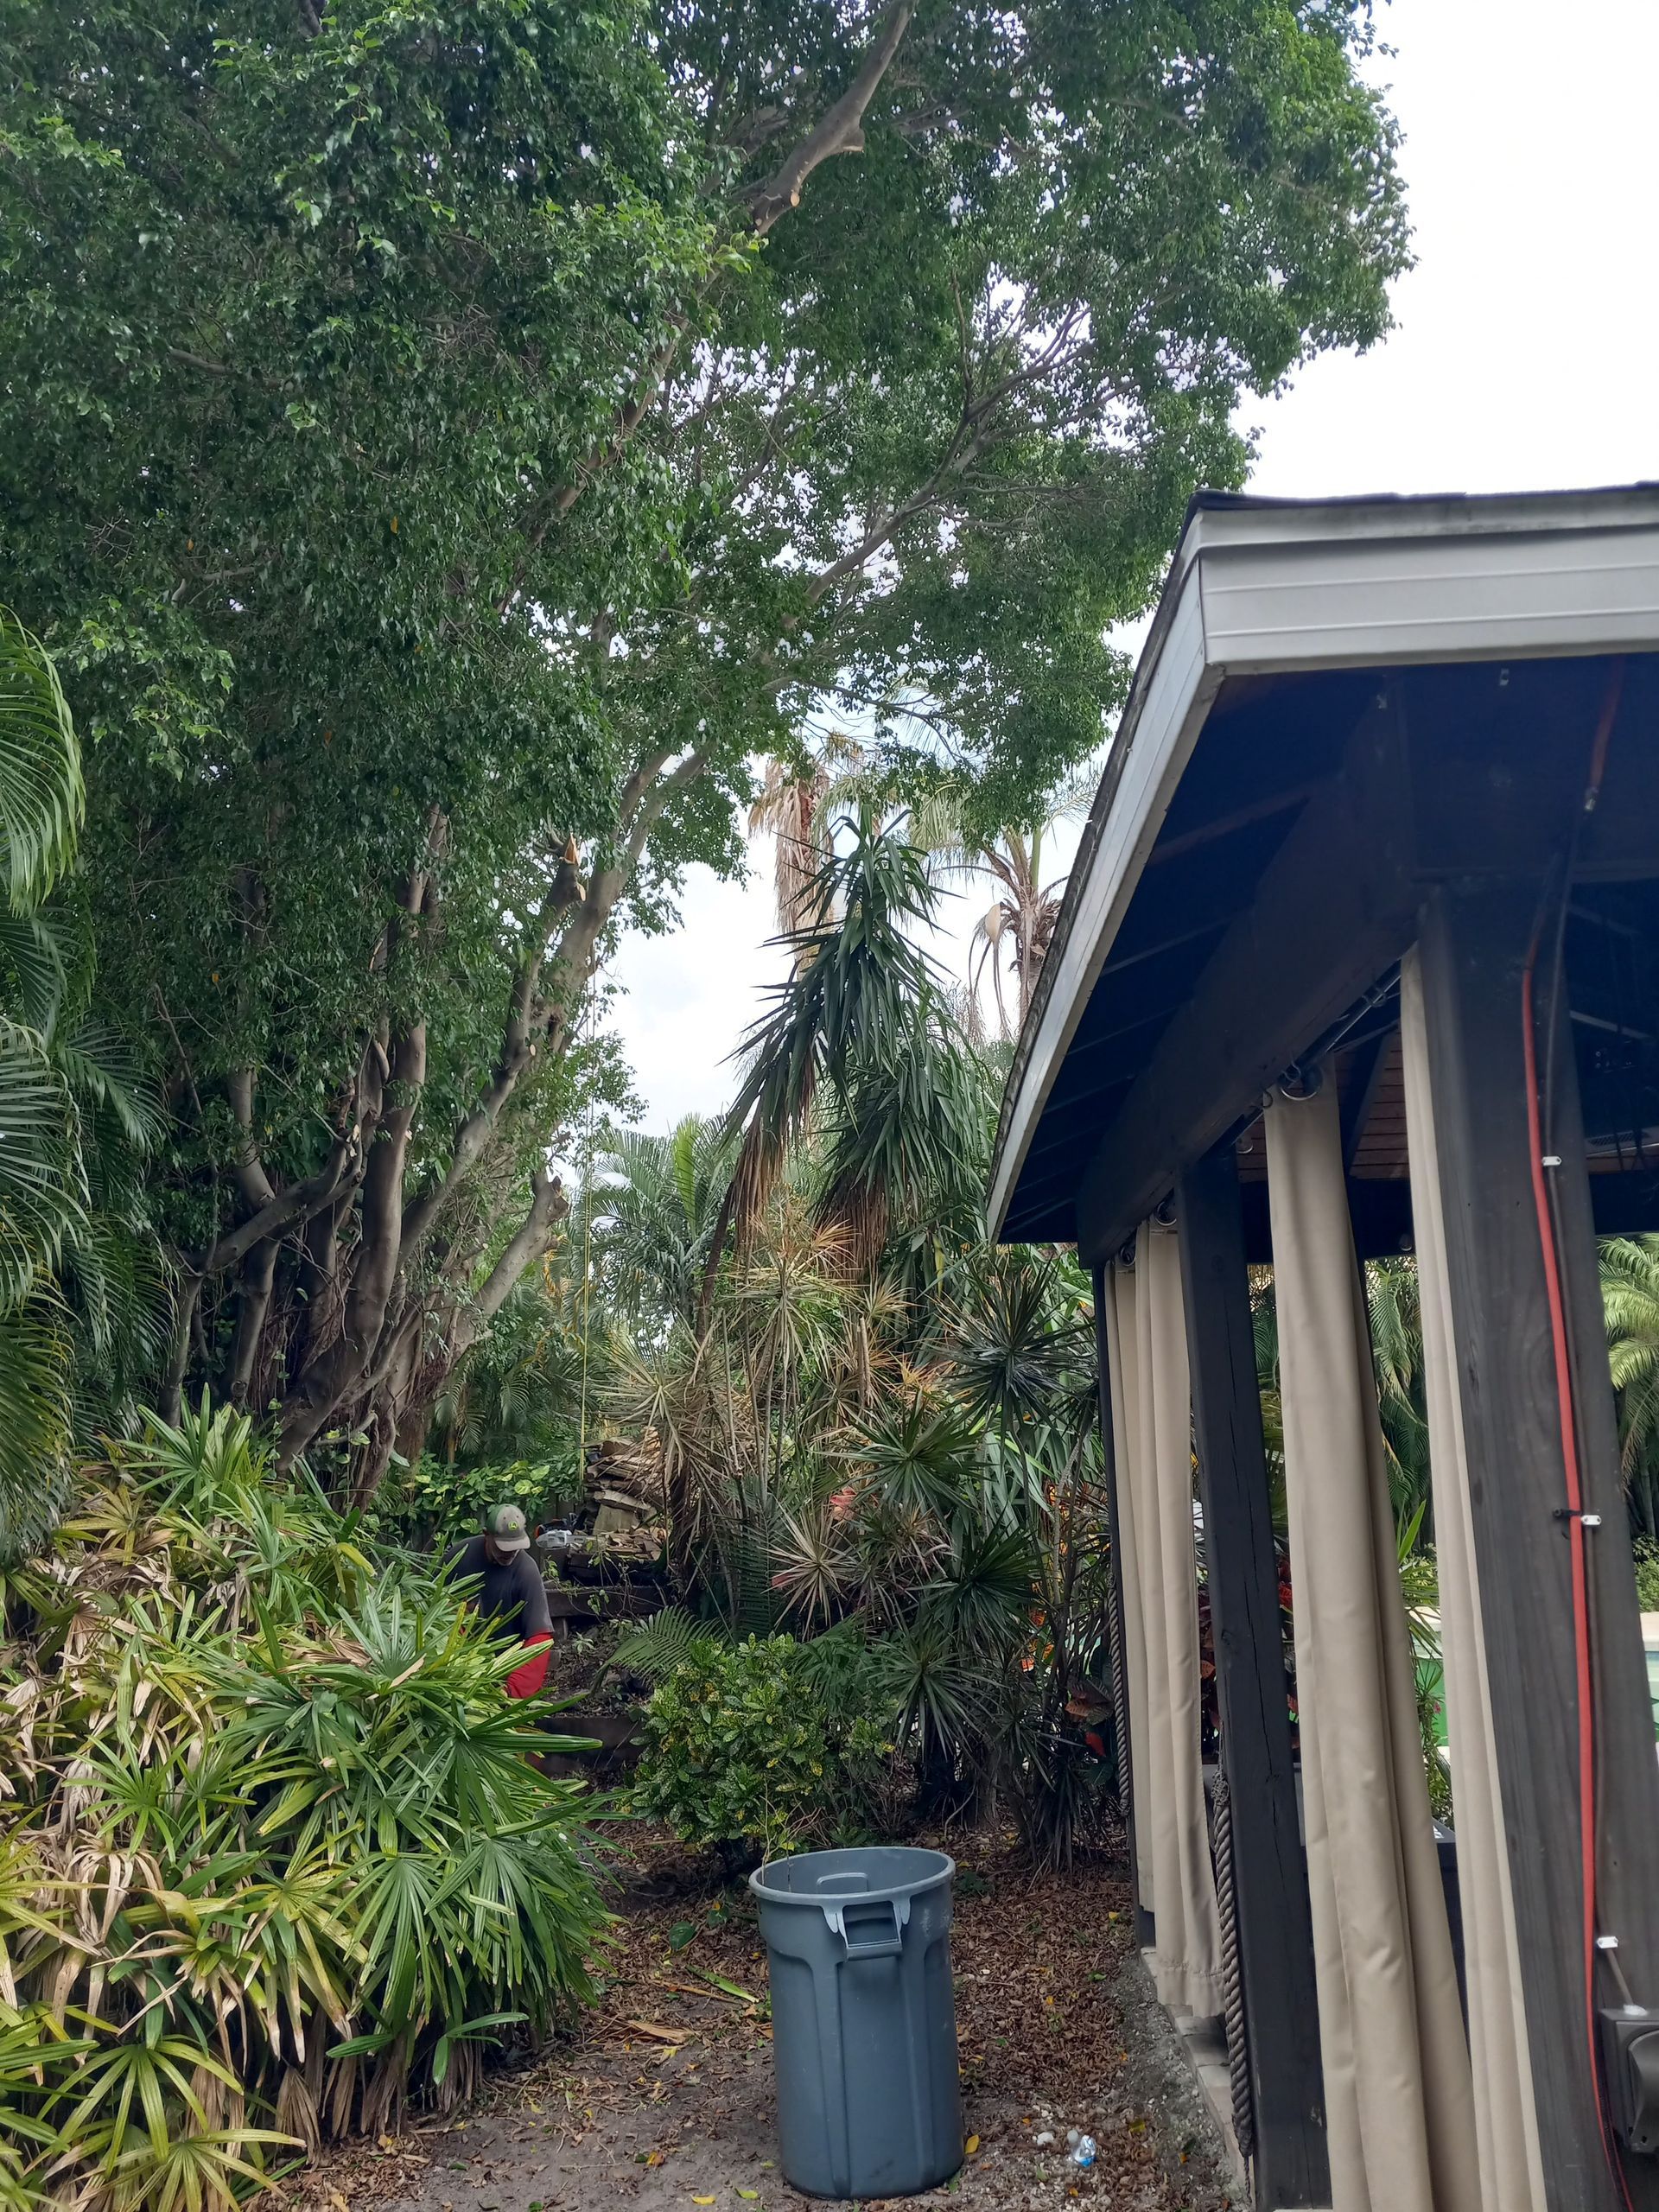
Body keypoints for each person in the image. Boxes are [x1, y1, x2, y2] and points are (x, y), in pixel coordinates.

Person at [445, 1503, 555, 1697]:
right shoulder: (460, 1556)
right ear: (487, 1535)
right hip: (457, 1668)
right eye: (504, 1546)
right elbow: (432, 1605)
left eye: (516, 1546)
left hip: (505, 1673)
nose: (511, 1552)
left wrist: (511, 1690)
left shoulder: (526, 1571)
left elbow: (540, 1639)